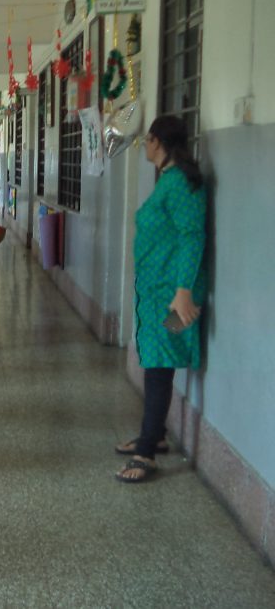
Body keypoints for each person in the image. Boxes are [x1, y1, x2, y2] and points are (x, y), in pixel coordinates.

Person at [116, 115, 207, 483]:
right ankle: (154, 435)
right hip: (157, 295)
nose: (145, 147)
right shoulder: (170, 180)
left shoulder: (182, 183)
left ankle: (146, 454)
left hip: (173, 297)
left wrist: (183, 291)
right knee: (156, 361)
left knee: (158, 367)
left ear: (157, 142)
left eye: (147, 141)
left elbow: (192, 236)